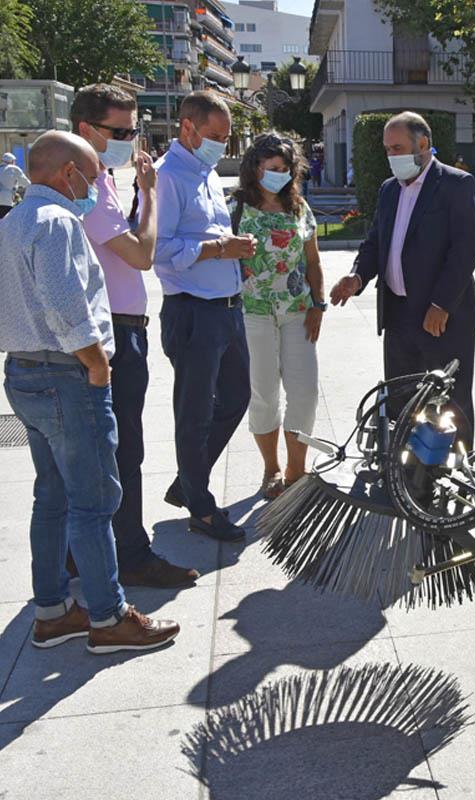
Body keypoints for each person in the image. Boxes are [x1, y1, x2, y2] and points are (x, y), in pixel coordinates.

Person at [0, 131, 180, 653]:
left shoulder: (13, 220)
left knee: (52, 497)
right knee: (94, 501)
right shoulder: (57, 221)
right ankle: (108, 617)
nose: (99, 185)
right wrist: (98, 364)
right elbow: (65, 303)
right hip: (67, 374)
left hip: (25, 371)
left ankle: (53, 611)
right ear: (67, 173)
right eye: (95, 175)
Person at [71, 84, 199, 587]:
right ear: (86, 129)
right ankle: (130, 554)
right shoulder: (86, 183)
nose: (130, 141)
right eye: (119, 132)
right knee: (123, 451)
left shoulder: (98, 180)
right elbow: (142, 255)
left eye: (133, 130)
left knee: (107, 450)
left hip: (120, 328)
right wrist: (149, 195)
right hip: (113, 333)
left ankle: (80, 552)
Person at [329, 112, 475, 442]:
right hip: (398, 316)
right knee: (402, 402)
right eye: (387, 149)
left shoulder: (456, 184)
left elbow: (465, 250)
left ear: (423, 144)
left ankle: (458, 467)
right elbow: (376, 242)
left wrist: (441, 304)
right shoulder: (389, 190)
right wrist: (356, 277)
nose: (391, 156)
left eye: (397, 148)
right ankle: (404, 467)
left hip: (443, 317)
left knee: (450, 403)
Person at [153, 91, 257, 542]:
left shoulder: (206, 172)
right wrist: (219, 249)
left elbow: (208, 237)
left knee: (236, 397)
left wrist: (235, 254)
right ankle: (201, 507)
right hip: (193, 310)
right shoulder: (167, 176)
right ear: (187, 127)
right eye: (215, 136)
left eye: (226, 137)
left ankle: (188, 481)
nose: (221, 145)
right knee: (194, 413)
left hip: (227, 306)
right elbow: (157, 250)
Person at [233, 133, 325, 498]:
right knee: (264, 393)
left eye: (286, 169)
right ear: (255, 167)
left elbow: (313, 261)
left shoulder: (299, 207)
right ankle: (271, 467)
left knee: (305, 392)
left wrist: (318, 305)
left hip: (297, 311)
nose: (280, 175)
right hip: (252, 312)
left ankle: (296, 469)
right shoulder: (236, 207)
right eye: (273, 168)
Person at [0, 152, 30, 219]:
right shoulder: (14, 169)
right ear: (12, 161)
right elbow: (26, 184)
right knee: (6, 222)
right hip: (6, 201)